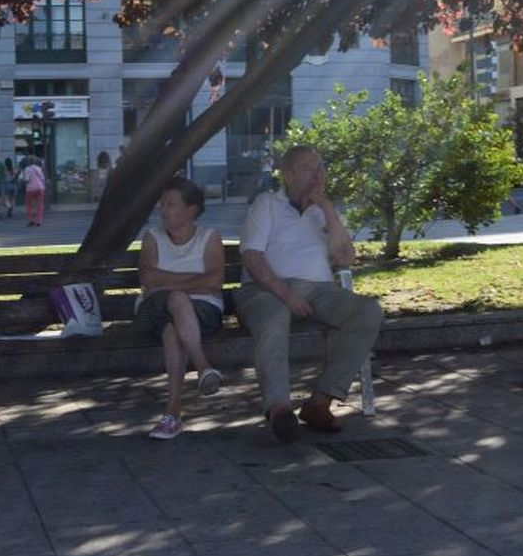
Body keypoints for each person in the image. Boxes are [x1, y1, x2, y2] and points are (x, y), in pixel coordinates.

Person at [236, 145, 382, 443]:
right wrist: (285, 293)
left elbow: (345, 259)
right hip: (265, 289)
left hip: (320, 291)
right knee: (275, 316)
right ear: (287, 175)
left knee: (368, 311)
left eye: (321, 168)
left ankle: (320, 402)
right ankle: (279, 410)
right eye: (308, 168)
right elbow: (252, 258)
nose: (318, 175)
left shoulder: (324, 211)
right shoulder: (266, 204)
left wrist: (326, 208)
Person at [138, 176, 226, 440]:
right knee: (176, 299)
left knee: (172, 329)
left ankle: (173, 413)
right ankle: (202, 366)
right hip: (153, 309)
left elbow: (215, 281)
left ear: (191, 210)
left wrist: (168, 280)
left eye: (171, 204)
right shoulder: (152, 237)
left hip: (204, 311)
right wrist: (193, 283)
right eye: (162, 204)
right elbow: (147, 278)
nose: (163, 210)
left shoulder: (210, 237)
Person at [20, 155, 46, 227]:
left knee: (29, 205)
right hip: (40, 187)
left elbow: (27, 179)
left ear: (28, 162)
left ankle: (31, 220)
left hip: (31, 188)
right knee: (40, 205)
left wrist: (22, 181)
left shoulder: (27, 169)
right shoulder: (39, 168)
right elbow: (43, 178)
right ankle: (39, 221)